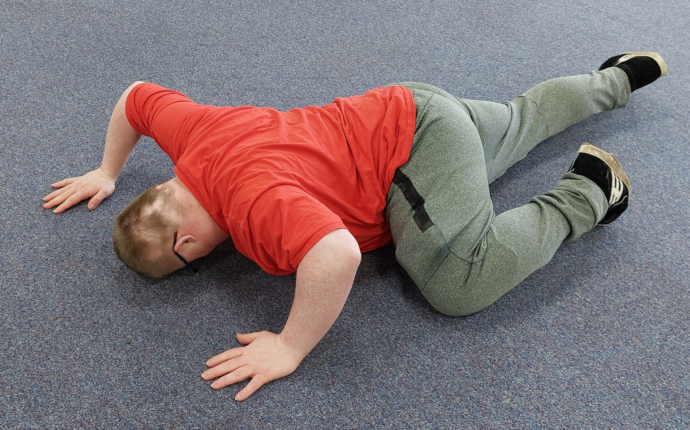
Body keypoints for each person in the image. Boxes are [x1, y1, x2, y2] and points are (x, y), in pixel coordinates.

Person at [43, 52, 667, 401]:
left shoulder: (251, 207)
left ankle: (589, 191)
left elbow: (335, 252)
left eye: (191, 263)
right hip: (409, 104)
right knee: (515, 123)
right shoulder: (193, 136)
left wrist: (289, 347)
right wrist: (106, 171)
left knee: (458, 284)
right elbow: (135, 94)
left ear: (184, 245)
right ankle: (613, 79)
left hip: (412, 156)